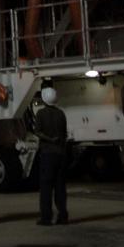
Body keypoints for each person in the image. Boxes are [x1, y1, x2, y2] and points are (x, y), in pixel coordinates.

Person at [34, 85, 69, 225]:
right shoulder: (61, 113)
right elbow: (64, 134)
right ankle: (63, 216)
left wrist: (49, 139)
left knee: (46, 188)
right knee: (60, 187)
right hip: (61, 154)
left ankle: (46, 217)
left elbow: (37, 131)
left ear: (44, 100)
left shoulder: (40, 114)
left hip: (48, 154)